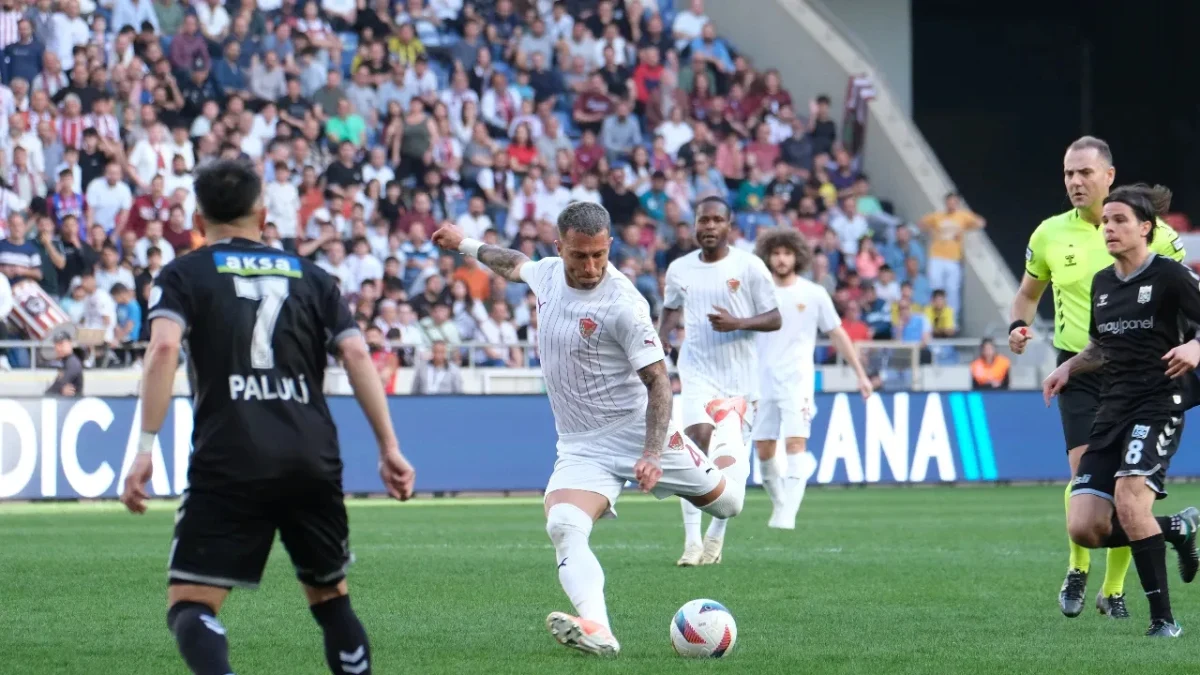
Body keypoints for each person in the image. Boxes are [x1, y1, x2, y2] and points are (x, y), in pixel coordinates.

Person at [118, 160, 416, 675]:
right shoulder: (313, 277)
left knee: (191, 603)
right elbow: (357, 354)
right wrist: (389, 446)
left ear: (198, 219)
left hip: (231, 451)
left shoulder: (183, 274)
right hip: (310, 453)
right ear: (261, 214)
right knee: (331, 600)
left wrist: (145, 447)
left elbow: (163, 348)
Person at [430, 202, 750, 658]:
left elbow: (659, 381)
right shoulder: (546, 274)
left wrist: (652, 453)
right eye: (579, 256)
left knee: (729, 504)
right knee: (563, 525)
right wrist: (464, 243)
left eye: (599, 254)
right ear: (559, 248)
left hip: (637, 430)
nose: (591, 267)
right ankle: (598, 629)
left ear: (609, 246)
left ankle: (730, 418)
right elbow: (512, 262)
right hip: (581, 445)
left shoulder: (624, 305)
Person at [1010, 136, 1186, 619]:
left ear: (1109, 176)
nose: (1075, 181)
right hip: (1079, 368)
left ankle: (1114, 590)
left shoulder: (1154, 234)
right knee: (1084, 479)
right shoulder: (1049, 233)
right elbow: (1027, 295)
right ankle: (1078, 567)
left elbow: (1183, 293)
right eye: (1069, 173)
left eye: (1084, 172)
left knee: (1126, 489)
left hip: (1139, 374)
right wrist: (1017, 327)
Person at [1043, 184, 1200, 637]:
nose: (1108, 228)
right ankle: (1177, 528)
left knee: (1130, 503)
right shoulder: (1103, 283)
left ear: (1145, 228)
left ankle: (1164, 622)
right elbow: (1100, 347)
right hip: (1112, 409)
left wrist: (1195, 346)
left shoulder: (1171, 275)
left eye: (1118, 221)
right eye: (1105, 221)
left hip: (1158, 404)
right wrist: (1069, 367)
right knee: (1085, 527)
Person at [659, 196, 781, 566]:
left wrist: (738, 323)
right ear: (695, 224)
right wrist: (661, 338)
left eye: (716, 220)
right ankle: (691, 542)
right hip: (697, 370)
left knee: (729, 461)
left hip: (740, 378)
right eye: (703, 220)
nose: (709, 226)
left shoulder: (749, 266)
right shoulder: (680, 269)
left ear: (729, 225)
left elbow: (774, 317)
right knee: (695, 444)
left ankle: (716, 533)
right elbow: (670, 308)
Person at [752, 229, 872, 528]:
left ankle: (787, 517)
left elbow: (838, 334)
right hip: (760, 381)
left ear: (798, 257)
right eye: (776, 253)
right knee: (764, 450)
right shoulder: (757, 292)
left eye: (787, 253)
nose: (781, 259)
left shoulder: (814, 293)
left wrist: (861, 374)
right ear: (767, 256)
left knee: (795, 444)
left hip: (798, 381)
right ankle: (781, 503)